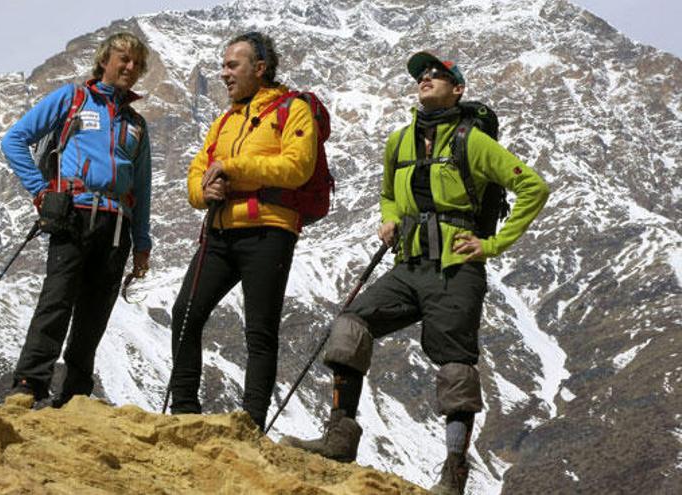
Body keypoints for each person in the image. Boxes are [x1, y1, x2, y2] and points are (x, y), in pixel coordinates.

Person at [280, 52, 549, 495]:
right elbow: (389, 192)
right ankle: (339, 439)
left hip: (456, 269)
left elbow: (533, 186)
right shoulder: (400, 141)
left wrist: (493, 244)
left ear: (457, 89)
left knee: (455, 367)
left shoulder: (474, 142)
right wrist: (388, 219)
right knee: (350, 324)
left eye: (437, 74)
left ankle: (454, 473)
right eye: (421, 75)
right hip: (407, 266)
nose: (425, 78)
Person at [167, 31, 318, 431]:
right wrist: (204, 190)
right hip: (220, 231)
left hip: (269, 231)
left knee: (260, 330)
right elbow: (198, 172)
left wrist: (233, 170)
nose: (224, 73)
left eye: (232, 65)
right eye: (223, 66)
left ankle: (250, 425)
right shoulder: (225, 120)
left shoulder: (294, 109)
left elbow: (297, 168)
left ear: (260, 68)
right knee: (185, 312)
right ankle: (183, 410)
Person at [1, 32, 152, 408]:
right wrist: (41, 192)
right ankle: (29, 383)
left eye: (136, 63)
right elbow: (14, 140)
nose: (130, 68)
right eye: (123, 59)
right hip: (74, 213)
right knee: (57, 300)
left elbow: (143, 188)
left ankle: (75, 393)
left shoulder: (136, 124)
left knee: (95, 313)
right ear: (104, 60)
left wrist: (143, 243)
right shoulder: (72, 98)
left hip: (118, 223)